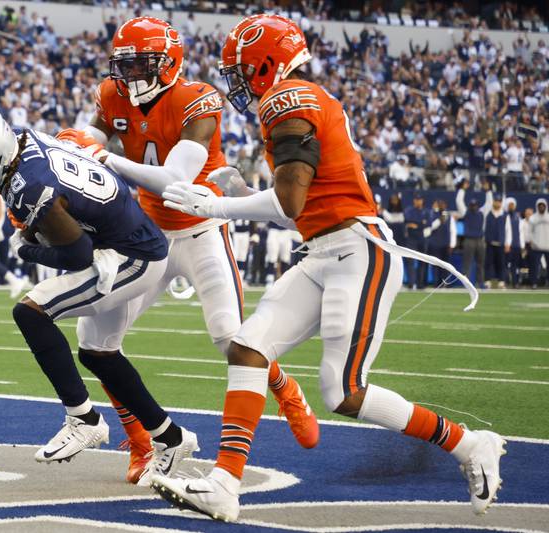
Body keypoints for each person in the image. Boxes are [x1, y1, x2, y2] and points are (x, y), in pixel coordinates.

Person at [151, 14, 503, 522]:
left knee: (343, 391)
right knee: (249, 348)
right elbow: (301, 200)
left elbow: (291, 201)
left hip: (358, 253)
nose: (238, 83)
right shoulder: (299, 100)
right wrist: (240, 194)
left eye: (242, 70)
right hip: (323, 252)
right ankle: (224, 484)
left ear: (265, 63)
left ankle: (470, 444)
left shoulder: (287, 99)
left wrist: (217, 207)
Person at [82, 17, 318, 483]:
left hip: (201, 229)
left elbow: (175, 179)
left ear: (168, 64)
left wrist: (106, 157)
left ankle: (284, 387)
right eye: (124, 66)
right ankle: (140, 440)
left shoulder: (197, 99)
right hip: (146, 234)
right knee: (96, 340)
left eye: (140, 65)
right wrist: (79, 143)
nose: (129, 76)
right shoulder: (112, 96)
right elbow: (91, 135)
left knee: (230, 336)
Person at [0, 106, 196, 484]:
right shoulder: (23, 141)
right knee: (98, 353)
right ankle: (171, 439)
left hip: (132, 256)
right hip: (127, 238)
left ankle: (84, 419)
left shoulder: (29, 185)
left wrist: (27, 249)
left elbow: (76, 255)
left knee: (31, 312)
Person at [456, 181, 492, 288]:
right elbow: (459, 201)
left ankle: (480, 282)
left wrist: (488, 191)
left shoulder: (481, 213)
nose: (473, 207)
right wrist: (462, 189)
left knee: (480, 263)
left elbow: (489, 203)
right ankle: (466, 284)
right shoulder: (466, 212)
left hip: (480, 240)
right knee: (467, 263)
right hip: (469, 240)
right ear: (470, 205)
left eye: (475, 205)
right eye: (472, 205)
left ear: (477, 205)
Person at [404, 193, 429, 289]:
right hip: (411, 238)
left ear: (422, 201)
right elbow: (408, 220)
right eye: (416, 199)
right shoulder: (409, 210)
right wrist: (421, 223)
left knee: (422, 261)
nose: (418, 201)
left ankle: (420, 284)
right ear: (414, 200)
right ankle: (411, 283)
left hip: (422, 238)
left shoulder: (426, 211)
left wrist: (416, 224)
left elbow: (428, 223)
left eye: (420, 199)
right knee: (410, 260)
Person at [483, 194, 509, 289]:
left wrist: (507, 243)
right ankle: (487, 281)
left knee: (501, 263)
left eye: (499, 201)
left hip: (500, 243)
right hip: (490, 242)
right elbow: (484, 227)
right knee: (488, 263)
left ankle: (501, 281)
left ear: (501, 203)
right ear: (493, 202)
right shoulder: (488, 213)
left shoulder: (505, 215)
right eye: (496, 201)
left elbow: (508, 229)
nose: (497, 203)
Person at [528, 198, 549, 288]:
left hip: (548, 246)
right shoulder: (533, 218)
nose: (541, 207)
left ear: (545, 206)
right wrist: (531, 242)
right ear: (537, 206)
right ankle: (534, 283)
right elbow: (529, 231)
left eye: (542, 206)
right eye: (539, 206)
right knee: (534, 267)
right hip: (536, 247)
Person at [504, 198, 524, 287]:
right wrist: (506, 243)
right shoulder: (504, 215)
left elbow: (521, 231)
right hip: (507, 245)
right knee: (505, 264)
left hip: (516, 244)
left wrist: (522, 245)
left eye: (512, 205)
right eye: (509, 205)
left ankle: (515, 282)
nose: (511, 206)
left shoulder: (518, 216)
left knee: (515, 265)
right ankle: (505, 281)